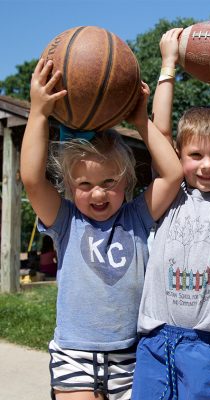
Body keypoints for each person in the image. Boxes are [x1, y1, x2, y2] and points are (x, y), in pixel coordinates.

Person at [20, 58, 182, 400]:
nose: (97, 192)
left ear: (127, 181)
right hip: (74, 354)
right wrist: (38, 113)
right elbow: (33, 181)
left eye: (109, 181)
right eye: (85, 183)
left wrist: (141, 121)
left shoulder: (136, 216)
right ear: (67, 184)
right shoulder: (66, 221)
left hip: (129, 356)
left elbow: (172, 175)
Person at [131, 28, 210, 400]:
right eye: (195, 155)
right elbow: (161, 130)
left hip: (207, 347)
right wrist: (168, 65)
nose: (206, 166)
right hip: (155, 340)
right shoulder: (169, 192)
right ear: (178, 156)